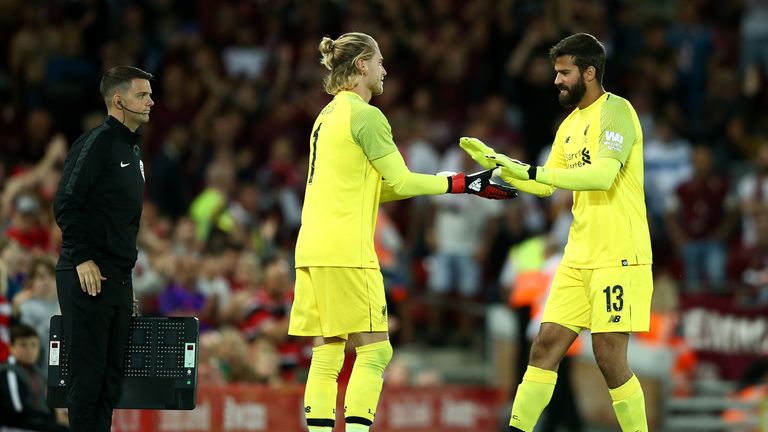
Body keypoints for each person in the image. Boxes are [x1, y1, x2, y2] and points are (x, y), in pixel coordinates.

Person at [287, 32, 518, 432]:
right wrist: (463, 183)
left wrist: (461, 182)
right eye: (379, 61)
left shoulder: (325, 117)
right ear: (361, 65)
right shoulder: (366, 115)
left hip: (310, 248)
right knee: (375, 352)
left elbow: (380, 188)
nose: (385, 70)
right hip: (347, 249)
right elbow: (405, 182)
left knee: (327, 354)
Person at [462, 33, 653, 432]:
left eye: (564, 72)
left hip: (619, 255)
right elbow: (547, 184)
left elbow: (602, 176)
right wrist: (503, 166)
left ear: (589, 72)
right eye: (556, 73)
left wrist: (531, 171)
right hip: (578, 256)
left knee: (609, 356)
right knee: (544, 345)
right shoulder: (569, 125)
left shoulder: (617, 111)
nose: (556, 81)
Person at [53, 65, 153, 431]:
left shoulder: (133, 149)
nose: (151, 101)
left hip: (116, 278)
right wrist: (82, 259)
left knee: (111, 378)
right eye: (142, 95)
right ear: (118, 100)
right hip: (87, 275)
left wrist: (124, 282)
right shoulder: (97, 143)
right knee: (87, 375)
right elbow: (65, 202)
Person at [0, 323, 68, 431]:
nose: (29, 350)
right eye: (23, 345)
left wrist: (58, 415)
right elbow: (18, 410)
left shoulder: (37, 373)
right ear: (11, 347)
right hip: (15, 426)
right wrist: (54, 419)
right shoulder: (9, 372)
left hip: (36, 422)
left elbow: (45, 404)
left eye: (33, 345)